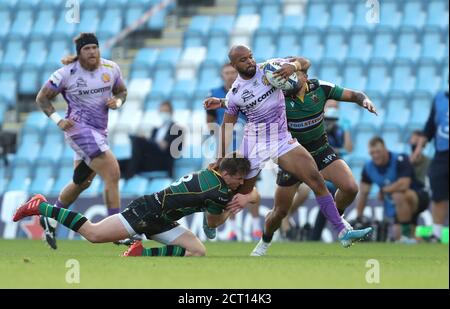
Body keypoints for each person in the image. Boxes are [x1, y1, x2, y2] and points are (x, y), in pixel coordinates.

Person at [204, 45, 373, 255]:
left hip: (281, 139)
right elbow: (226, 128)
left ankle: (341, 231)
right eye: (244, 60)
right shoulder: (236, 93)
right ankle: (211, 221)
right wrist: (220, 158)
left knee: (316, 180)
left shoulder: (270, 69)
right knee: (241, 192)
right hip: (254, 143)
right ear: (234, 65)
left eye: (251, 57)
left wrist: (292, 66)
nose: (250, 61)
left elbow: (304, 62)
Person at [13, 155, 254, 257]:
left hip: (161, 217)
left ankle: (141, 253)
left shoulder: (209, 172)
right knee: (94, 234)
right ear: (225, 173)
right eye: (239, 178)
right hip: (147, 211)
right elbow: (212, 224)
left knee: (197, 251)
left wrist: (239, 198)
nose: (241, 183)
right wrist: (233, 208)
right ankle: (41, 207)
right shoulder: (220, 191)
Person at [35, 33, 127, 250]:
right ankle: (117, 231)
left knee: (82, 182)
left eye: (95, 47)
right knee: (112, 173)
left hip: (99, 132)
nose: (92, 52)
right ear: (79, 53)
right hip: (78, 131)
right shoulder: (66, 74)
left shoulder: (111, 68)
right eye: (87, 49)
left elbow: (122, 91)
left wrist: (118, 102)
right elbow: (42, 97)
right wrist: (58, 120)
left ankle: (51, 215)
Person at [280, 99, 356, 241]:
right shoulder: (315, 121)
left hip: (330, 166)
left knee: (332, 192)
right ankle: (295, 222)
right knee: (312, 190)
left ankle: (318, 233)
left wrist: (346, 130)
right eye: (330, 106)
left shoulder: (340, 127)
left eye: (335, 107)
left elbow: (349, 148)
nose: (333, 109)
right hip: (310, 166)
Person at [203, 63, 262, 241]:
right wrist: (218, 141)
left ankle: (256, 226)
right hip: (225, 146)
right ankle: (232, 229)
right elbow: (210, 120)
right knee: (226, 187)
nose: (229, 75)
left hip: (248, 145)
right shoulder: (215, 92)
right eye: (226, 73)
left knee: (249, 185)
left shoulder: (247, 90)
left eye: (232, 72)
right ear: (222, 75)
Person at [356, 137, 430, 242]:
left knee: (398, 195)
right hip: (398, 205)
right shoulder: (368, 167)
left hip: (417, 197)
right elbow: (364, 192)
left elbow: (404, 184)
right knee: (397, 237)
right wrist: (359, 217)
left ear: (385, 149)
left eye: (378, 152)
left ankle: (407, 235)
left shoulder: (400, 159)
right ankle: (415, 239)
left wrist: (383, 190)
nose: (375, 156)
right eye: (372, 153)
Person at [410, 88, 449, 242]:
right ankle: (437, 233)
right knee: (438, 194)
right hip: (442, 153)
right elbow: (430, 127)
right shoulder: (440, 97)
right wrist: (419, 148)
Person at [120, 101, 184, 179]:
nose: (164, 113)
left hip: (162, 162)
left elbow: (166, 147)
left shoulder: (176, 129)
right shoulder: (155, 130)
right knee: (119, 163)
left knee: (137, 141)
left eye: (166, 111)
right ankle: (125, 177)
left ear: (171, 112)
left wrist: (149, 141)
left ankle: (130, 175)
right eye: (162, 111)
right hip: (149, 160)